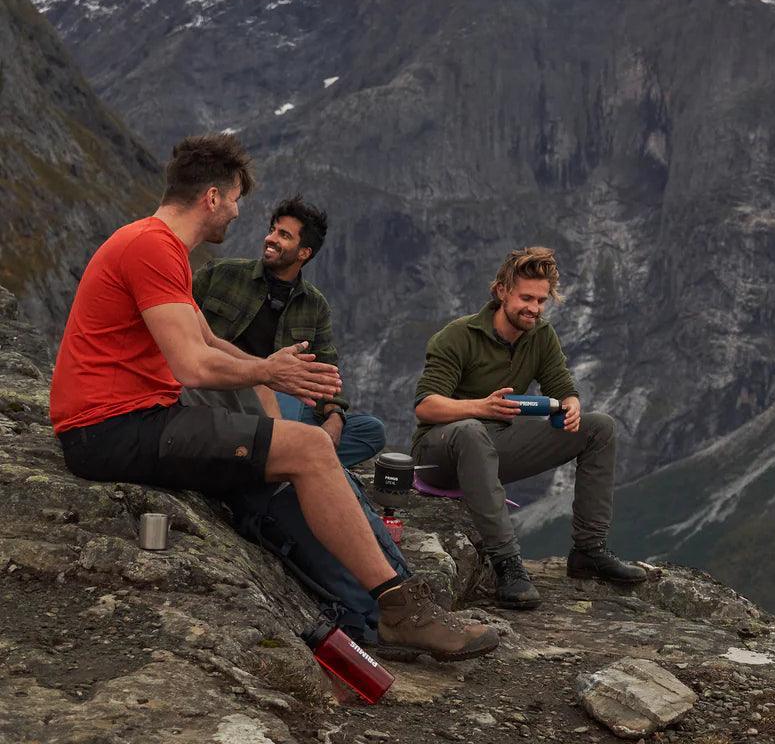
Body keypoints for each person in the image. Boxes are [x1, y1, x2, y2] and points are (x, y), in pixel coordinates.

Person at [49, 133, 497, 661]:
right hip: (112, 430)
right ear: (212, 197)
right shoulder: (152, 247)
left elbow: (211, 342)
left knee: (293, 456)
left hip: (131, 421)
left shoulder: (156, 245)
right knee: (309, 450)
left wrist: (271, 377)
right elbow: (190, 364)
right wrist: (271, 371)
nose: (238, 212)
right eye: (236, 198)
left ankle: (372, 610)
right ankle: (398, 611)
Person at [412, 246, 645, 610]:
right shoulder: (458, 336)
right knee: (472, 430)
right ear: (502, 290)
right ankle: (507, 563)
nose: (533, 308)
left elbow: (562, 386)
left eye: (541, 300)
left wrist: (571, 404)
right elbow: (426, 405)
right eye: (526, 298)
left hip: (496, 444)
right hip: (441, 451)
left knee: (600, 427)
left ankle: (588, 550)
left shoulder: (540, 335)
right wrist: (481, 407)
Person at [192, 195, 385, 468]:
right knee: (281, 401)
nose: (270, 238)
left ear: (304, 252)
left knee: (370, 430)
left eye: (283, 235)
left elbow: (325, 373)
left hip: (283, 410)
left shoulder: (315, 305)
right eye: (272, 230)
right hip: (223, 393)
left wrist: (334, 418)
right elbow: (179, 327)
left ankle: (274, 457)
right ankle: (290, 462)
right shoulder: (220, 274)